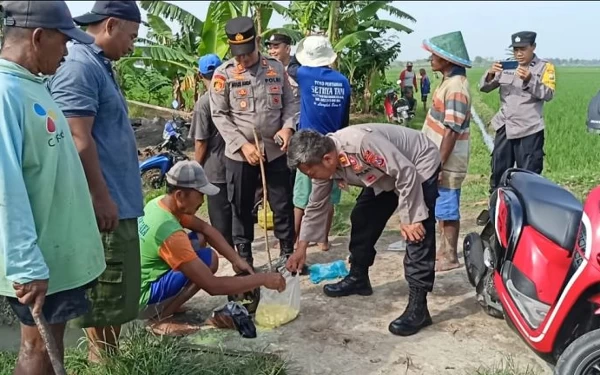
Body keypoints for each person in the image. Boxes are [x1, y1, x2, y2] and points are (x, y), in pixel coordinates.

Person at [0, 1, 106, 373]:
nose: (66, 52)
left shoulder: (35, 85)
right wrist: (26, 264)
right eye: (62, 42)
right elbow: (5, 187)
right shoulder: (5, 94)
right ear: (38, 36)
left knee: (51, 346)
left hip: (56, 257)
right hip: (39, 258)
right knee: (37, 349)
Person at [47, 0, 144, 363]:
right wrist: (100, 197)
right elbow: (76, 137)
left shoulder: (98, 65)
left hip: (118, 199)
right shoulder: (79, 67)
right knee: (105, 292)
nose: (133, 44)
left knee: (116, 296)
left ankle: (109, 359)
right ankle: (101, 361)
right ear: (112, 25)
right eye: (132, 35)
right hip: (104, 204)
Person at [285, 124, 442, 337]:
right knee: (362, 217)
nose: (312, 177)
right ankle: (359, 278)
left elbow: (405, 172)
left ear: (327, 160)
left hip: (417, 164)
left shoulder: (361, 145)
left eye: (311, 173)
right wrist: (301, 248)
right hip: (386, 173)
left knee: (416, 233)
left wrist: (410, 217)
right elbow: (316, 205)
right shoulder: (325, 159)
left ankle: (419, 307)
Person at [138, 161, 285, 335]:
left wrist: (236, 260)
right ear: (180, 195)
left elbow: (206, 229)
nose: (202, 200)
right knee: (208, 261)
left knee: (199, 239)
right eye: (199, 194)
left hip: (135, 285)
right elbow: (212, 286)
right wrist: (263, 279)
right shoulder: (169, 232)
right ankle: (158, 319)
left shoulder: (158, 204)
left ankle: (169, 303)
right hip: (142, 300)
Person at [209, 16, 299, 271]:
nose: (243, 60)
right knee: (241, 205)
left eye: (247, 53)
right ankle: (245, 257)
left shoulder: (276, 69)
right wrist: (242, 145)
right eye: (238, 55)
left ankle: (287, 254)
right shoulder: (223, 74)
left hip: (275, 149)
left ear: (257, 43)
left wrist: (287, 127)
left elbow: (290, 103)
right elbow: (219, 115)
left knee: (282, 202)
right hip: (240, 154)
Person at [292, 35, 351, 252]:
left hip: (307, 148)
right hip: (332, 146)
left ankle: (297, 240)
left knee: (302, 199)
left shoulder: (305, 74)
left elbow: (289, 66)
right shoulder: (343, 81)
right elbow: (345, 117)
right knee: (328, 199)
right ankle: (323, 240)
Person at [421, 31, 473, 272]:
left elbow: (451, 130)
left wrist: (438, 164)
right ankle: (442, 251)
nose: (431, 59)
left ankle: (450, 255)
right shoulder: (448, 82)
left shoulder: (456, 88)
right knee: (440, 205)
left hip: (447, 160)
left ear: (448, 60)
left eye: (436, 55)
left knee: (447, 207)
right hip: (438, 156)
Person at [480, 31, 556, 194]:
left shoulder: (544, 67)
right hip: (505, 126)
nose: (519, 53)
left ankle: (528, 215)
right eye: (515, 49)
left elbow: (548, 94)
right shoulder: (507, 66)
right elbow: (485, 88)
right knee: (499, 173)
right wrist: (491, 73)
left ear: (533, 47)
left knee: (529, 177)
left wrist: (530, 79)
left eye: (523, 49)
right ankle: (497, 211)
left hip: (529, 128)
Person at [189, 53, 233, 248]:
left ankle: (231, 260)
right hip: (237, 164)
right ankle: (242, 253)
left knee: (220, 220)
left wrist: (194, 170)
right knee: (238, 214)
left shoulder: (204, 103)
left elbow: (201, 142)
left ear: (200, 76)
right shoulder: (232, 95)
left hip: (215, 170)